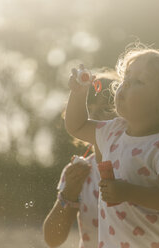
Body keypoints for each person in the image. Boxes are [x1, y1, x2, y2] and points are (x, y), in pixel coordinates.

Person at [64, 44, 159, 247]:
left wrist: (129, 192)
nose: (126, 84)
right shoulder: (113, 131)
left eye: (138, 81)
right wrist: (79, 93)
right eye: (126, 78)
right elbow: (77, 126)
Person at [43, 73, 118, 248]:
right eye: (88, 109)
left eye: (106, 108)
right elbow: (52, 239)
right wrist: (69, 193)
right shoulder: (80, 172)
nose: (93, 116)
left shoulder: (137, 161)